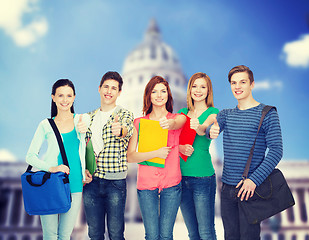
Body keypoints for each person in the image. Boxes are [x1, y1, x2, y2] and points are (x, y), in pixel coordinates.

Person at [207, 65, 283, 240]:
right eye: (233, 83)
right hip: (227, 190)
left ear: (252, 84)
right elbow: (210, 129)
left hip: (250, 190)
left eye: (242, 82)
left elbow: (276, 150)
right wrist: (210, 130)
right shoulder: (226, 114)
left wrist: (253, 180)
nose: (237, 87)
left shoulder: (267, 113)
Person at [26, 79, 92, 240]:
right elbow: (30, 156)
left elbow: (88, 123)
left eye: (69, 95)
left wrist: (85, 170)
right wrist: (52, 168)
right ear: (53, 97)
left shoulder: (81, 120)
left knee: (64, 235)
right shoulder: (45, 125)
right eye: (60, 95)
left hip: (75, 183)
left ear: (74, 97)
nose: (65, 100)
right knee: (50, 235)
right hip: (51, 183)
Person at [127, 76, 186, 240]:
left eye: (163, 91)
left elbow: (181, 121)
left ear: (168, 94)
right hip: (146, 184)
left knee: (166, 235)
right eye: (154, 91)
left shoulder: (177, 119)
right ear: (148, 95)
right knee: (152, 235)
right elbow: (130, 156)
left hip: (171, 183)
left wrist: (171, 124)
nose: (159, 95)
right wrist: (156, 153)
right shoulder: (138, 123)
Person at [82, 71, 134, 240]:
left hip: (115, 183)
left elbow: (127, 129)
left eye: (114, 88)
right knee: (94, 234)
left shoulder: (124, 114)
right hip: (92, 182)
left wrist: (120, 130)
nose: (109, 91)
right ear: (99, 89)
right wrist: (84, 170)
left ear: (119, 92)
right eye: (106, 86)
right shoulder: (88, 117)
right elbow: (83, 147)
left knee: (116, 234)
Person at [178, 72, 219, 240]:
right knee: (193, 233)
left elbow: (205, 130)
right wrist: (180, 147)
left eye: (203, 87)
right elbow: (172, 141)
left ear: (208, 91)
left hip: (203, 177)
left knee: (206, 232)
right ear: (189, 89)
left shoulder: (213, 112)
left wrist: (198, 126)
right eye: (194, 86)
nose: (198, 90)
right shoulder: (181, 112)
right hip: (181, 178)